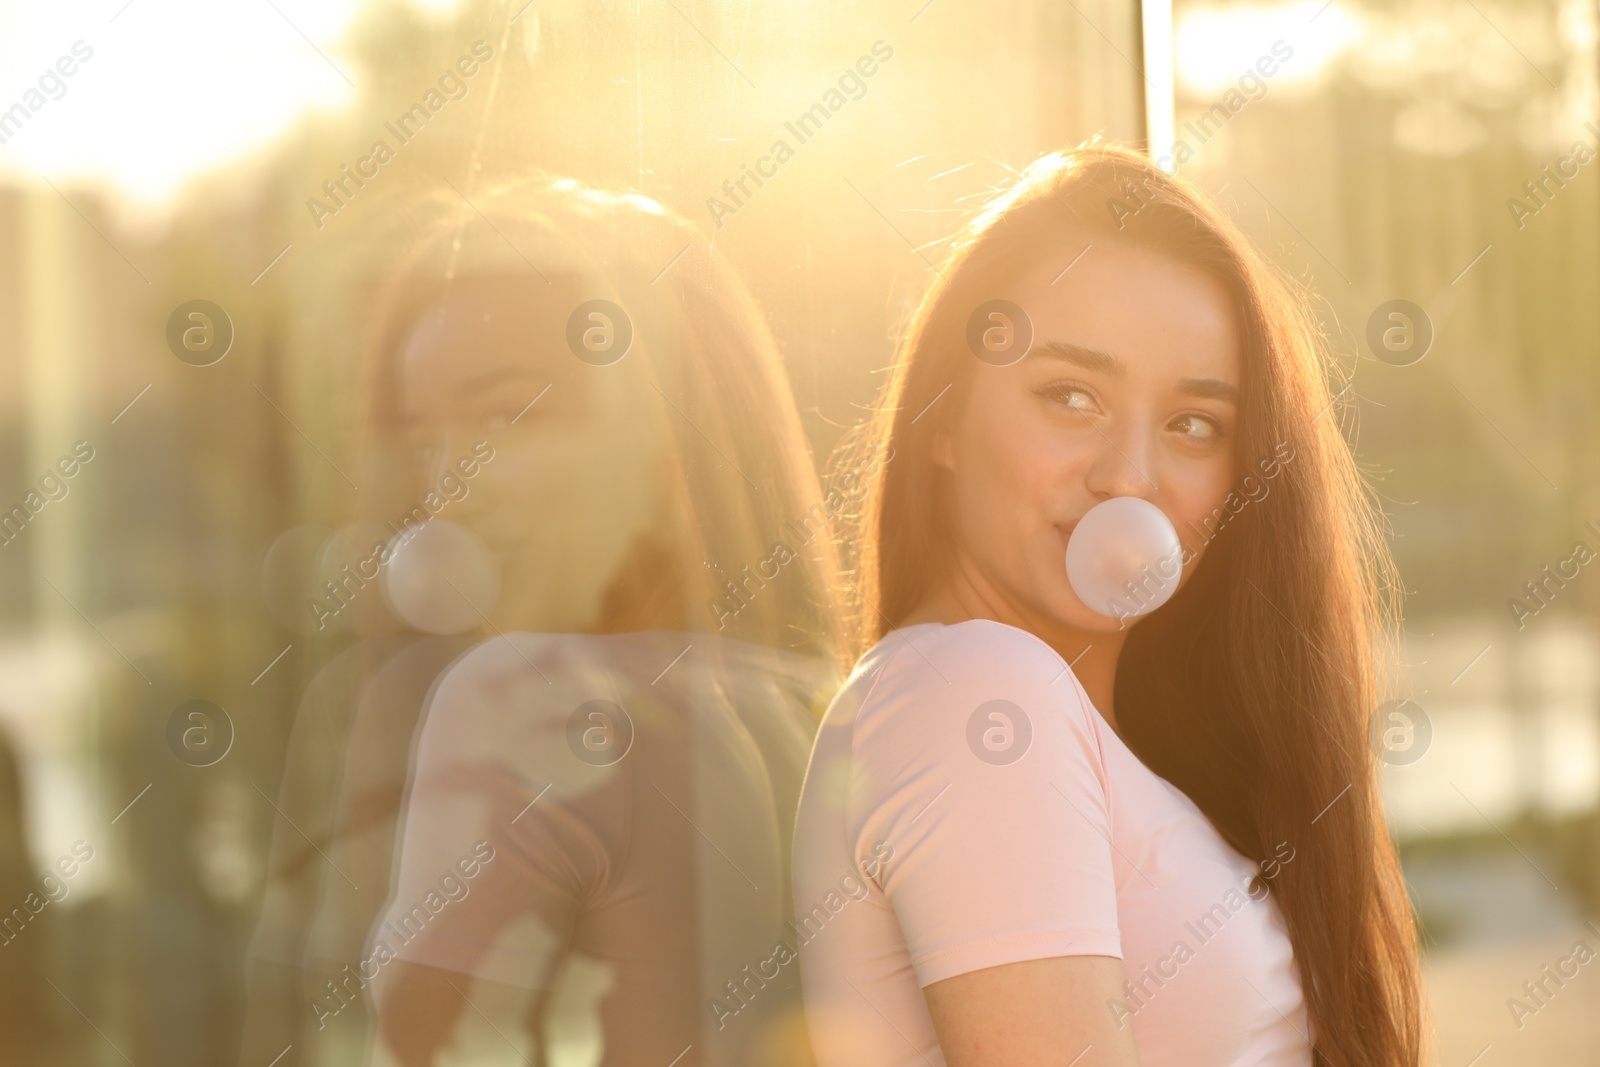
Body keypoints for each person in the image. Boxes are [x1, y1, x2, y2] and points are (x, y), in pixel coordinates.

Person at [792, 144, 1424, 1067]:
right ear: (944, 421)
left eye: (1194, 423)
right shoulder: (980, 691)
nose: (1130, 477)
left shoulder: (1065, 726)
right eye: (1070, 395)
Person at [276, 174, 846, 1067]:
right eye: (426, 437)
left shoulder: (508, 703)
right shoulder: (836, 712)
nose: (443, 495)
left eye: (506, 418)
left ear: (665, 442)